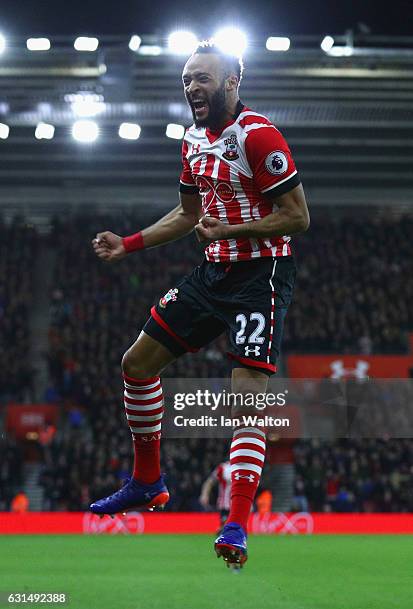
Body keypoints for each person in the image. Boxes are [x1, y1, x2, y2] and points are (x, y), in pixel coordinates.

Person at [89, 39, 310, 569]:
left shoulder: (259, 137)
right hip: (213, 274)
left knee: (245, 399)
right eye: (187, 78)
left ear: (233, 82)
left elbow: (297, 216)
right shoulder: (191, 138)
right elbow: (188, 215)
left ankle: (235, 522)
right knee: (136, 363)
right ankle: (148, 481)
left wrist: (232, 226)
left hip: (263, 275)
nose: (192, 87)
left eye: (203, 78)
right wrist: (130, 243)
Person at [199, 461, 231, 531]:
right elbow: (210, 482)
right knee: (226, 528)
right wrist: (204, 495)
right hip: (224, 505)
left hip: (238, 505)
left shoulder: (244, 468)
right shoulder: (223, 468)